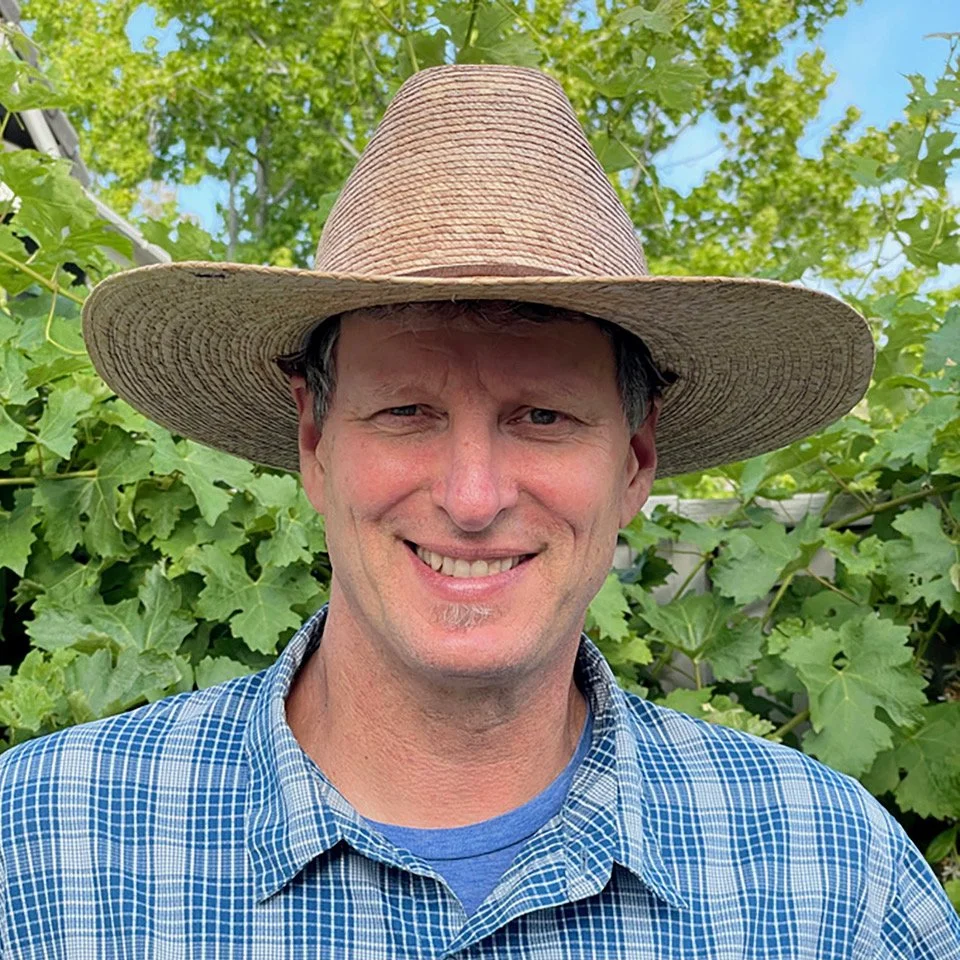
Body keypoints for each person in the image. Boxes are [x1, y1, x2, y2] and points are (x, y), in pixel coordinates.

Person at [1, 63, 957, 959]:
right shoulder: (43, 851)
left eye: (543, 417)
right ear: (315, 443)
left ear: (634, 460)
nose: (471, 499)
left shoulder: (833, 880)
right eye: (406, 412)